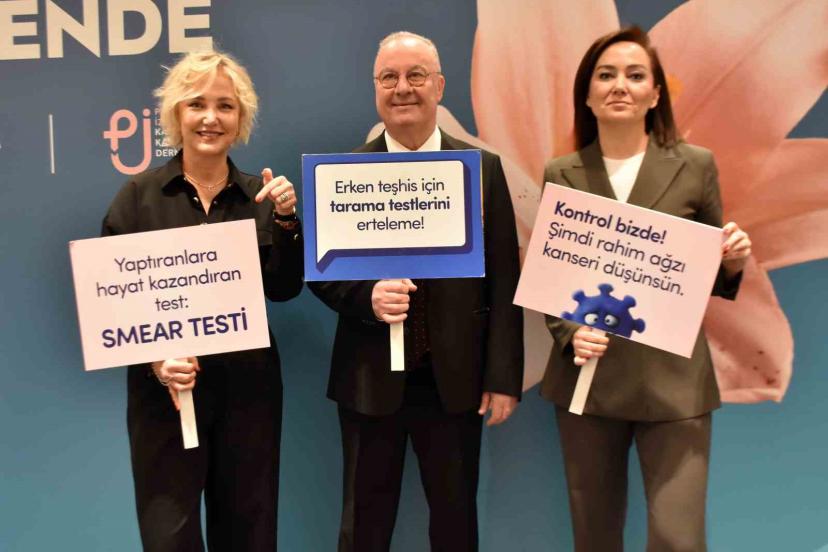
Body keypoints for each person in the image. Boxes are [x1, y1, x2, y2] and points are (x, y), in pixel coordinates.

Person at [309, 31, 524, 552]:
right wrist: (366, 298)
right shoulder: (344, 174)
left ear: (440, 87)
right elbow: (323, 274)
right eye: (389, 77)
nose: (402, 88)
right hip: (368, 380)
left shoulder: (483, 170)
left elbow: (504, 279)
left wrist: (503, 378)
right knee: (363, 527)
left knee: (455, 526)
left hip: (454, 383)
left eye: (416, 75)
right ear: (375, 89)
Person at [542, 27, 752, 552]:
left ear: (655, 95)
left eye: (636, 76)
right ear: (587, 94)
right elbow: (552, 278)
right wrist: (569, 332)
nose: (620, 86)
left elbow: (707, 272)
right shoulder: (561, 173)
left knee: (679, 540)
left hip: (674, 386)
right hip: (589, 382)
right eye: (606, 75)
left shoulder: (696, 165)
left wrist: (732, 260)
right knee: (594, 539)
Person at [101, 50, 302, 551]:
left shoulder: (261, 197)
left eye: (225, 106)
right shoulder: (138, 198)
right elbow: (113, 305)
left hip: (249, 393)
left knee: (249, 532)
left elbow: (284, 288)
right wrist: (157, 361)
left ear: (240, 118)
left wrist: (286, 221)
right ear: (176, 114)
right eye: (197, 104)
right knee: (169, 537)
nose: (210, 117)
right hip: (165, 399)